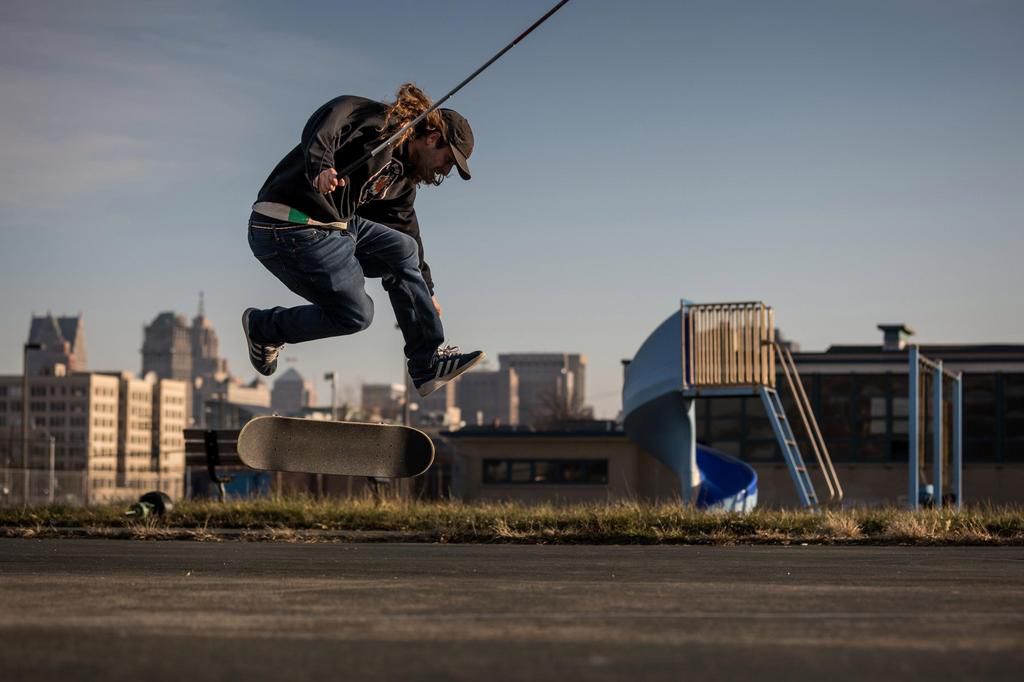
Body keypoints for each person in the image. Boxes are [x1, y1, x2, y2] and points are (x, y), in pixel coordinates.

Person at [242, 83, 484, 397]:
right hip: (286, 227)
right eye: (447, 160)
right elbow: (331, 115)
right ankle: (264, 328)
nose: (444, 171)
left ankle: (427, 364)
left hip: (335, 227)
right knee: (358, 314)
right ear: (433, 138)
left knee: (403, 247)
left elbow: (407, 232)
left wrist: (426, 290)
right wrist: (321, 166)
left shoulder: (402, 183)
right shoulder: (380, 124)